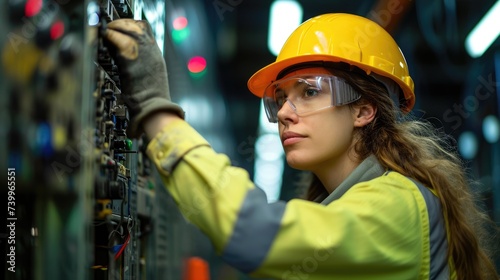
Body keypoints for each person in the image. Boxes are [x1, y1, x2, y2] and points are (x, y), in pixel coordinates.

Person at [104, 13, 499, 280]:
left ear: (363, 110)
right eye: (279, 99)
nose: (286, 113)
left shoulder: (399, 204)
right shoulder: (340, 206)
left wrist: (159, 116)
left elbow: (250, 232)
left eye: (309, 92)